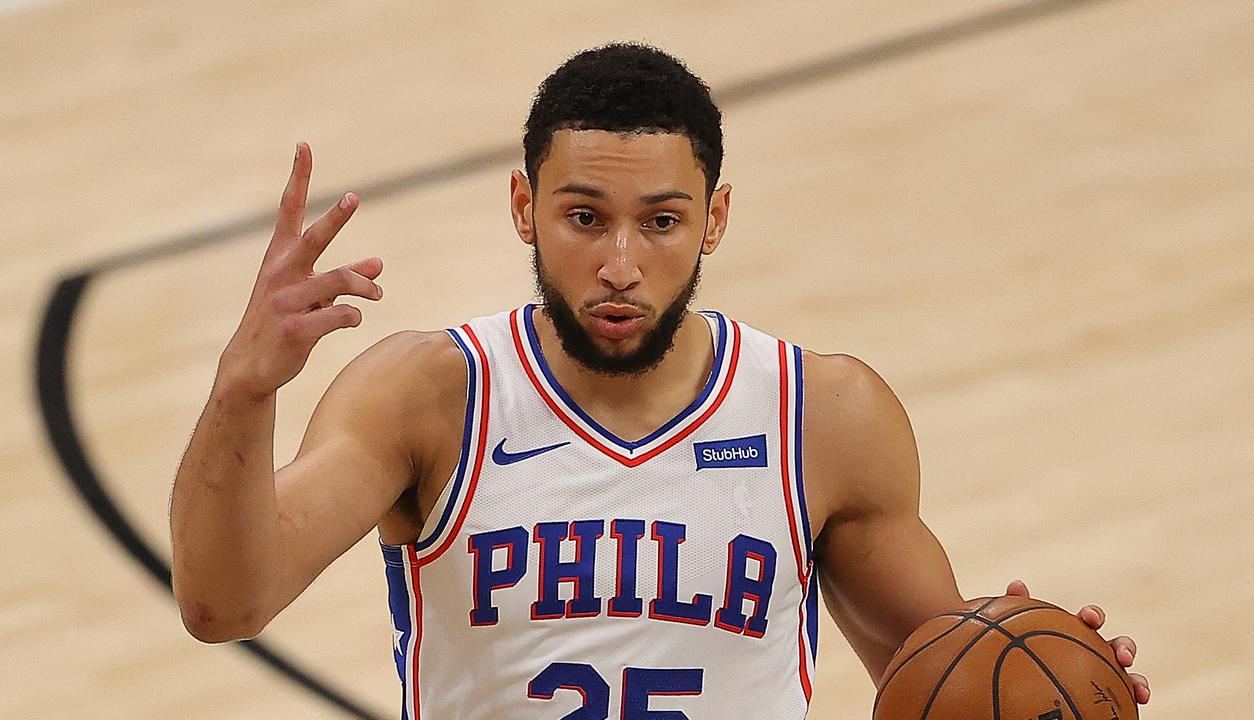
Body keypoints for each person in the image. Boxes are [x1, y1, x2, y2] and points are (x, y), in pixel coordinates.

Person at [169, 43, 1150, 719]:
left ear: (714, 221)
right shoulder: (430, 397)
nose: (621, 263)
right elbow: (225, 605)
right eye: (585, 216)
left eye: (662, 221)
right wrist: (240, 395)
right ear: (524, 206)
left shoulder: (821, 416)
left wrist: (1039, 666)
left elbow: (935, 672)